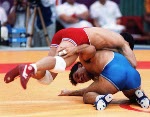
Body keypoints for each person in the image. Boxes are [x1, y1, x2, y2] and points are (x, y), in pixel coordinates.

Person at [4, 27, 136, 89]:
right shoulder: (122, 42)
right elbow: (133, 64)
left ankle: (27, 69)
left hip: (67, 34)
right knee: (62, 64)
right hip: (78, 36)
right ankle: (31, 67)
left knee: (47, 78)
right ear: (128, 44)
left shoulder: (109, 41)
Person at [59, 44, 150, 110]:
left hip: (115, 74)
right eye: (80, 81)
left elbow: (89, 48)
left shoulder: (86, 59)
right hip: (134, 76)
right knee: (131, 97)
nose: (81, 79)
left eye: (77, 75)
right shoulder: (106, 54)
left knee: (87, 95)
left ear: (80, 65)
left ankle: (99, 99)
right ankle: (139, 96)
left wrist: (75, 49)